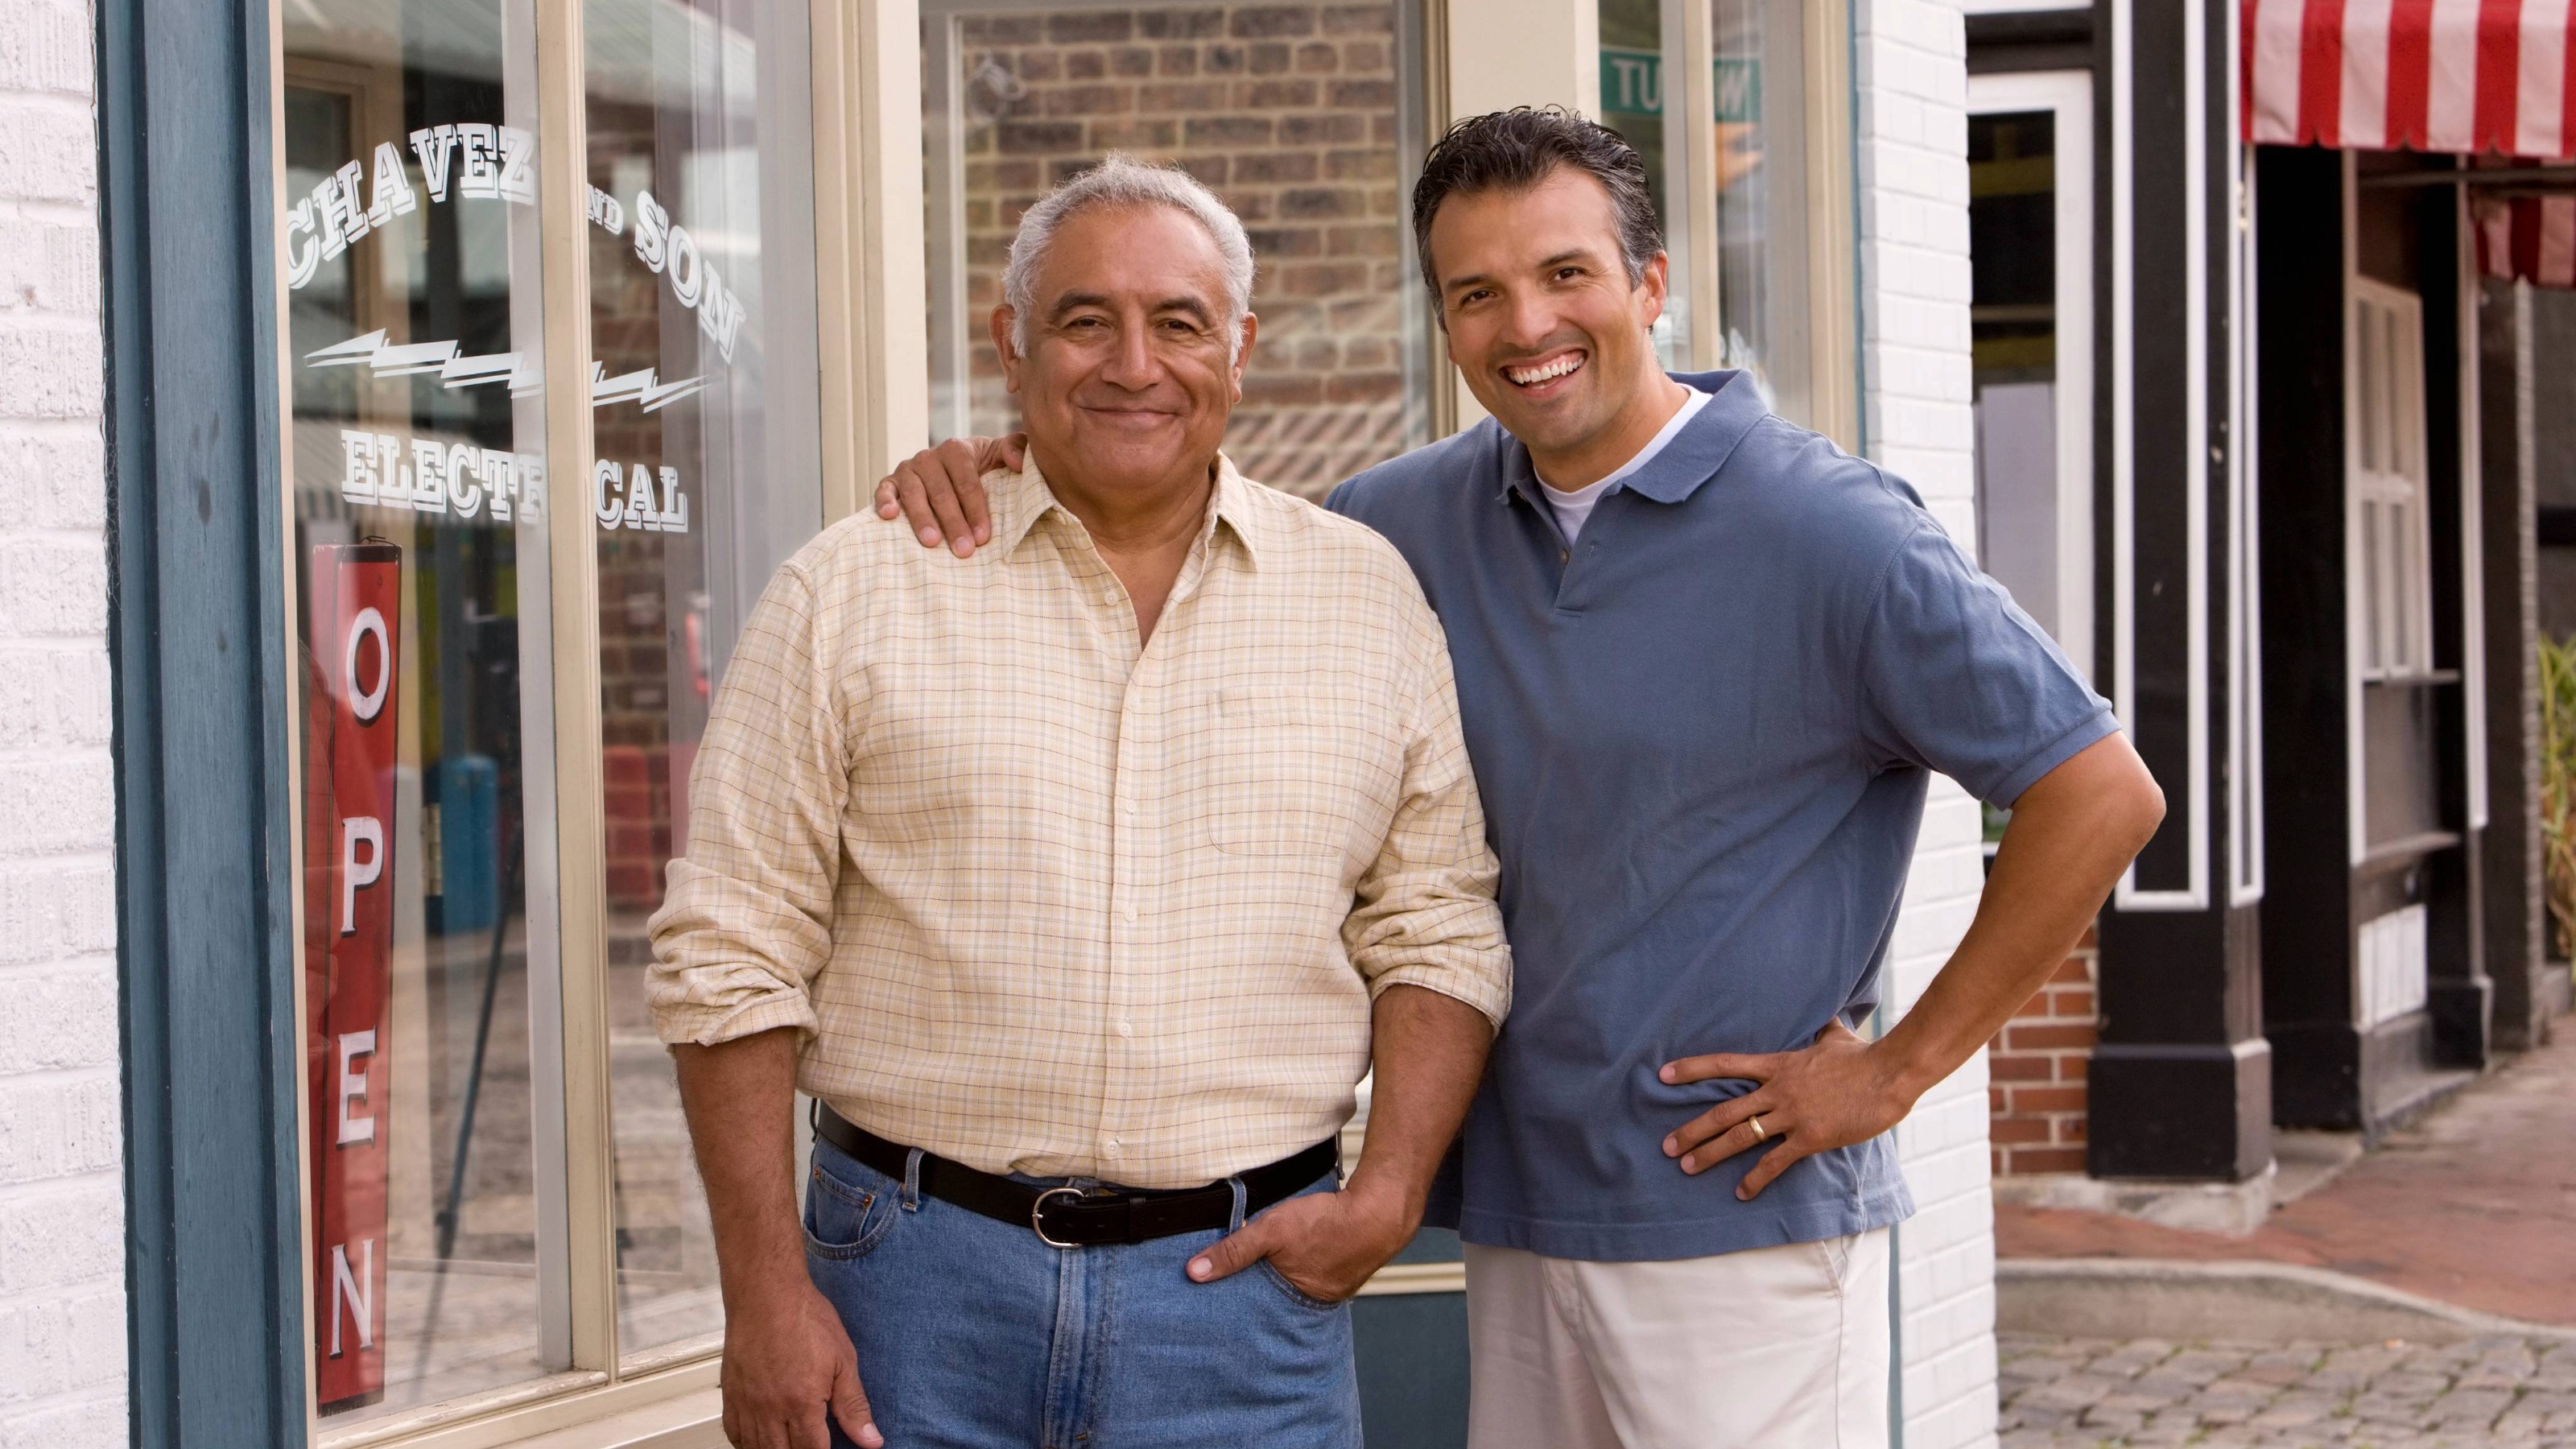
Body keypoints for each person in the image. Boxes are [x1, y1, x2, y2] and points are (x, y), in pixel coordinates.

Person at [877, 109, 2165, 1448]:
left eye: (1565, 276)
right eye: (1476, 293)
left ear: (1650, 286)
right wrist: (997, 462)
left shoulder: (1834, 534)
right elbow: (1174, 497)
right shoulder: (1401, 522)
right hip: (1513, 1208)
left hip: (1727, 1225)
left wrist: (1899, 1071)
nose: (1524, 326)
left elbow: (2102, 790)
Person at [650, 155, 1512, 1449]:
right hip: (904, 1293)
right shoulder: (858, 589)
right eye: (1083, 320)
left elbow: (1438, 922)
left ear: (1241, 348)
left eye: (1177, 323)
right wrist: (765, 1298)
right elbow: (728, 951)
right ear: (1012, 343)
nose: (1132, 364)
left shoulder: (1365, 598)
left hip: (1239, 1310)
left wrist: (1388, 1191)